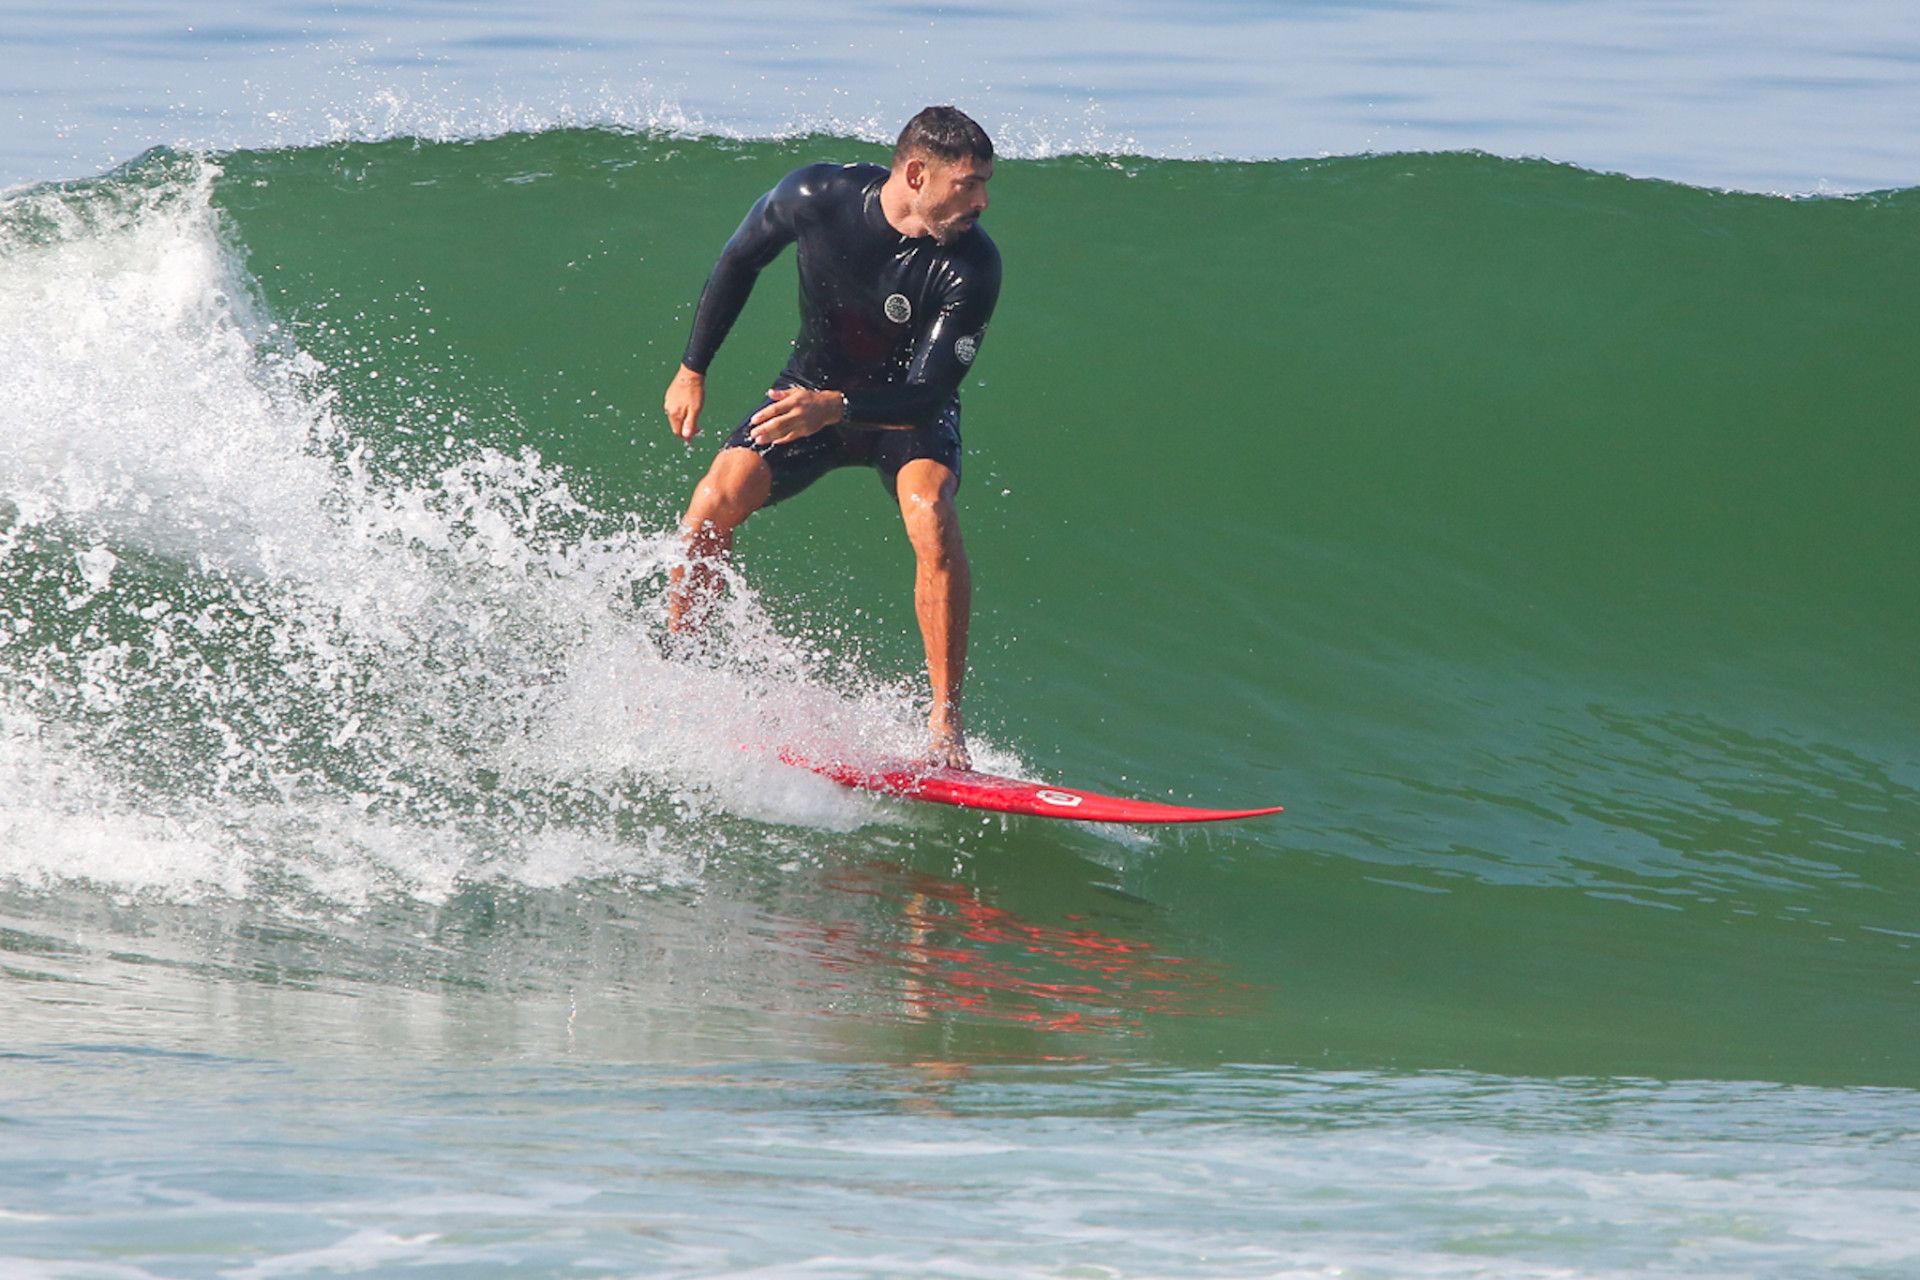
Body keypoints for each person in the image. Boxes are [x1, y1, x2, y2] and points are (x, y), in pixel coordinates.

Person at [661, 105, 1000, 771]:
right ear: (914, 173)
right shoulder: (817, 195)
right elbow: (739, 260)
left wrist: (838, 408)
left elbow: (928, 393)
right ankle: (679, 675)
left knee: (930, 514)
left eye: (986, 184)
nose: (982, 202)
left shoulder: (972, 266)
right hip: (807, 389)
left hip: (904, 409)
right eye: (968, 185)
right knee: (712, 502)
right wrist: (691, 368)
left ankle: (944, 722)